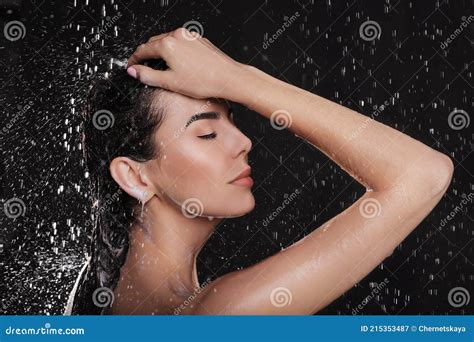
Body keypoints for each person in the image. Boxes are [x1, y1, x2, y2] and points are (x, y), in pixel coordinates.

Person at [65, 28, 453, 315]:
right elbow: (422, 175)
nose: (243, 141)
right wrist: (239, 78)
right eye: (207, 132)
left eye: (232, 119)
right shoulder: (220, 314)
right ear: (134, 177)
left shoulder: (101, 289)